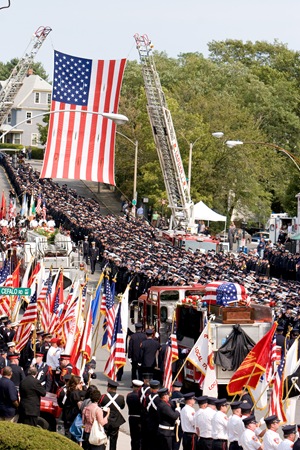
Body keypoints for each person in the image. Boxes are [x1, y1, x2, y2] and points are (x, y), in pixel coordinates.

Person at [99, 380, 126, 450]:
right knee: (113, 441)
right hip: (115, 422)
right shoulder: (121, 398)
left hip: (105, 421)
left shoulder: (103, 397)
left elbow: (99, 406)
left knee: (103, 440)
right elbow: (122, 407)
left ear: (109, 388)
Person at [62, 374, 85, 439]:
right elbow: (80, 406)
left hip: (68, 416)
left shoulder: (71, 391)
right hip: (71, 417)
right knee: (70, 435)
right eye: (80, 383)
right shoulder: (74, 393)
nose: (82, 384)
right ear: (76, 383)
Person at [126, 379, 143, 450]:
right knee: (140, 438)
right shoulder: (141, 397)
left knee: (133, 437)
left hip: (132, 417)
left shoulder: (129, 395)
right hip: (140, 418)